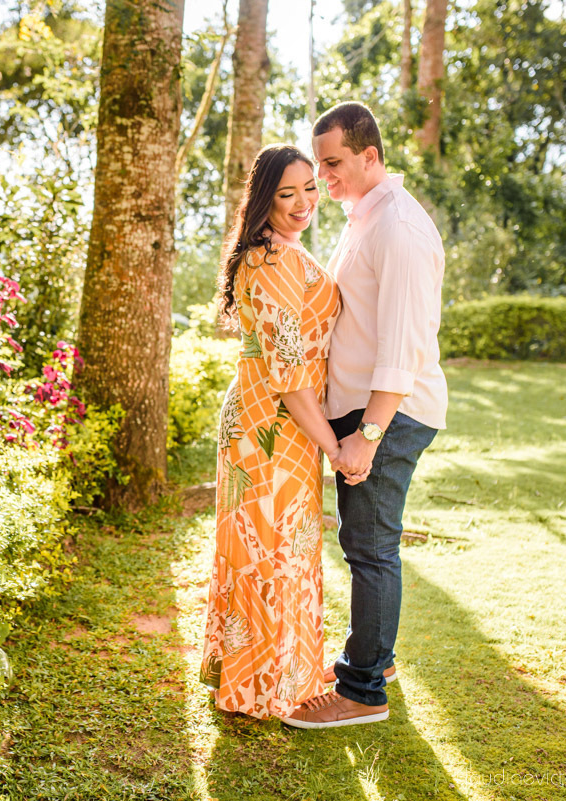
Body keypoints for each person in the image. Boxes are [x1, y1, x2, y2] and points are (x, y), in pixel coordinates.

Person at [280, 101, 448, 729]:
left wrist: (367, 438)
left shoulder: (397, 228)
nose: (323, 177)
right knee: (364, 544)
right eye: (320, 164)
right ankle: (375, 658)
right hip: (364, 413)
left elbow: (402, 347)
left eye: (332, 163)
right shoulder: (366, 215)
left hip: (389, 415)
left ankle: (361, 691)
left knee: (371, 548)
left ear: (370, 156)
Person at [199, 144, 357, 719]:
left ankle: (280, 673)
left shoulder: (283, 252)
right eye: (287, 193)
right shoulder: (265, 263)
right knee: (268, 549)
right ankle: (261, 685)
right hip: (271, 422)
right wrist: (336, 447)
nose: (302, 203)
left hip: (288, 422)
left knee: (285, 546)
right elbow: (289, 375)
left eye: (310, 188)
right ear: (264, 198)